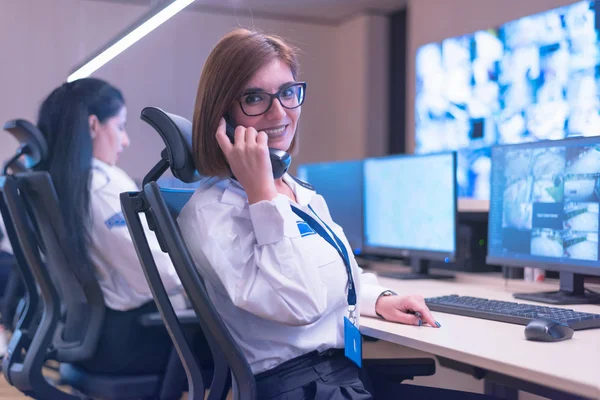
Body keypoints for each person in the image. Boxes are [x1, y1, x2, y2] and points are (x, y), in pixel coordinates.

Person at [178, 29, 493, 399]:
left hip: (340, 377)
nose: (279, 112)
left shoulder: (297, 192)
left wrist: (378, 299)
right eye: (254, 98)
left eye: (287, 93)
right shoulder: (213, 213)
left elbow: (340, 275)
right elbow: (301, 304)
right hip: (299, 388)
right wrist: (262, 193)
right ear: (223, 115)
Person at [36, 78, 211, 376]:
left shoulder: (60, 183)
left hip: (92, 337)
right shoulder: (103, 185)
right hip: (131, 341)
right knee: (242, 349)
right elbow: (159, 274)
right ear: (93, 126)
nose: (125, 140)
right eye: (120, 126)